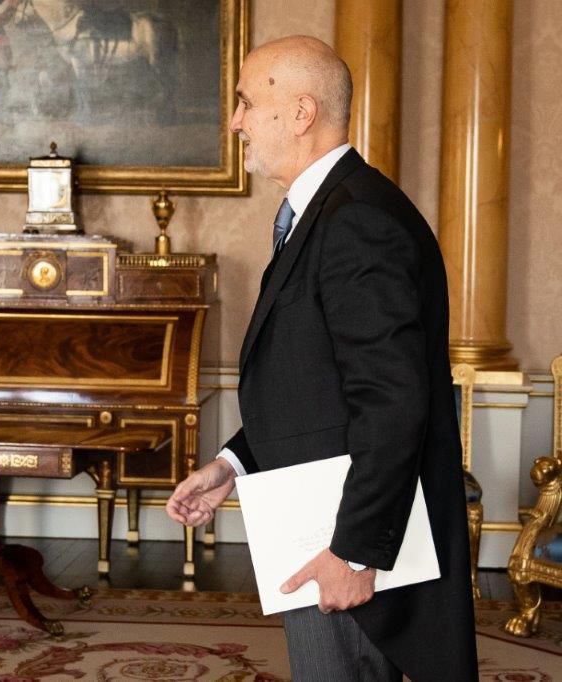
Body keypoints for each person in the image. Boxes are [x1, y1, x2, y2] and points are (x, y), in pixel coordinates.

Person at [166, 36, 478, 681]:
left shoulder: (357, 220)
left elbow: (391, 400)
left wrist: (355, 553)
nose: (236, 122)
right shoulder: (327, 210)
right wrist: (232, 465)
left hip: (344, 539)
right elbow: (314, 385)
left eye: (247, 103)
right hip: (318, 519)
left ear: (301, 113)